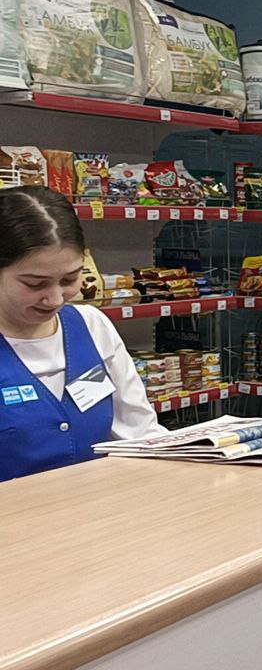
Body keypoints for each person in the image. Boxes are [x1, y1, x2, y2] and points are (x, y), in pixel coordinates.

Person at [0, 185, 164, 482]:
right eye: (35, 284)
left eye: (69, 280)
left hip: (97, 505)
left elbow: (139, 435)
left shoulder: (91, 325)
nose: (55, 299)